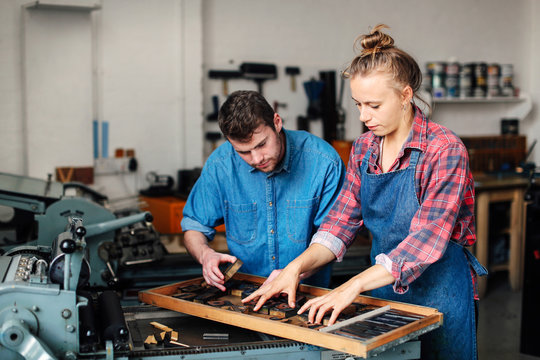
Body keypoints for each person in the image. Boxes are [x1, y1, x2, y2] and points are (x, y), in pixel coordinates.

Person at [243, 24, 487, 360]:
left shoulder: (444, 150)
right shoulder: (364, 149)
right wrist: (295, 268)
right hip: (382, 288)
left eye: (373, 105)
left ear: (405, 94)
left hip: (439, 292)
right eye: (358, 104)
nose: (363, 116)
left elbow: (425, 242)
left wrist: (351, 286)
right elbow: (340, 223)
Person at [181, 90, 345, 291]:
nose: (257, 158)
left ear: (277, 122)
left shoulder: (324, 163)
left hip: (307, 295)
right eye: (243, 152)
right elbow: (194, 225)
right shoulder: (220, 166)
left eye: (261, 144)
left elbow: (335, 236)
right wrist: (205, 254)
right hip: (242, 295)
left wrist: (293, 271)